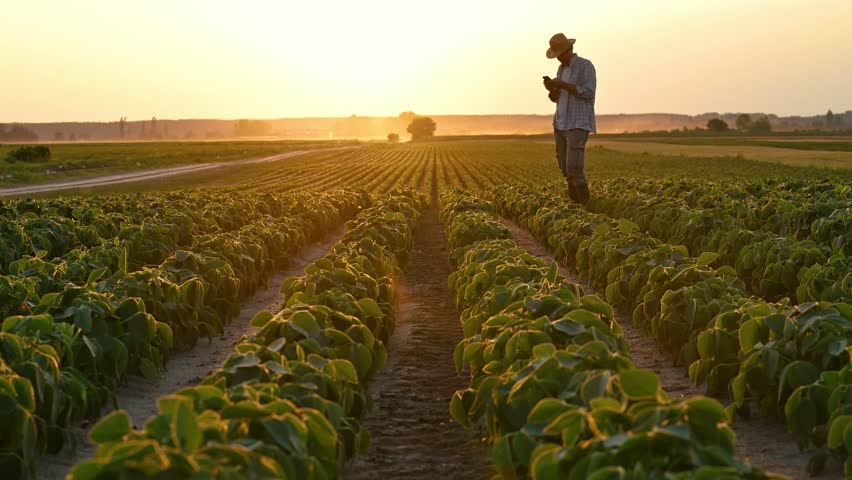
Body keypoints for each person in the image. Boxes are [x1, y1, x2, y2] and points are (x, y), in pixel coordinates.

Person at [543, 33, 596, 204]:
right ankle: (575, 207)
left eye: (561, 54)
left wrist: (562, 84)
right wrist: (552, 89)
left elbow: (588, 92)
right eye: (557, 55)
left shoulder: (585, 65)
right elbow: (557, 98)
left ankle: (586, 207)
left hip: (577, 123)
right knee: (565, 169)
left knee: (574, 168)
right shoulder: (561, 69)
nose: (559, 58)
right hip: (561, 123)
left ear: (569, 49)